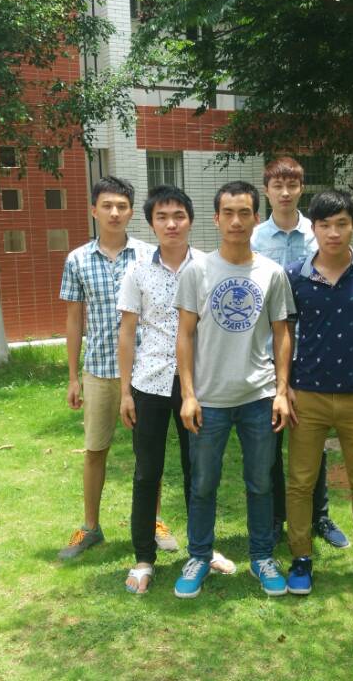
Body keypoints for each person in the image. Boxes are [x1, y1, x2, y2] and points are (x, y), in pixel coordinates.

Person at [171, 180, 294, 598]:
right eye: (228, 213)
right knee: (203, 484)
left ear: (257, 218)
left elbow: (282, 334)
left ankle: (262, 556)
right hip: (209, 399)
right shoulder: (197, 271)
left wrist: (281, 391)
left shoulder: (272, 273)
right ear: (216, 218)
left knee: (261, 483)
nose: (236, 221)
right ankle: (199, 556)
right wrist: (188, 394)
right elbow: (185, 335)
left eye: (244, 213)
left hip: (258, 397)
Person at [116, 185, 235, 593]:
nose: (171, 224)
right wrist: (125, 392)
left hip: (196, 385)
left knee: (198, 471)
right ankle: (143, 558)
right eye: (162, 217)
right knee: (146, 472)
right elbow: (127, 333)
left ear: (191, 221)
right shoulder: (137, 271)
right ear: (151, 223)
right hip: (149, 383)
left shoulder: (209, 267)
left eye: (179, 216)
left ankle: (202, 550)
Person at [283, 190, 353, 597]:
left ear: (352, 225)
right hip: (307, 397)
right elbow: (285, 333)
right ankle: (301, 558)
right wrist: (284, 386)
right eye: (324, 225)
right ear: (313, 228)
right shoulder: (295, 275)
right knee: (300, 483)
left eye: (341, 224)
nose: (333, 232)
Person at [57, 176, 157, 559]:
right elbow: (73, 320)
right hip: (98, 370)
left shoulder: (149, 255)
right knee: (95, 449)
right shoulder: (78, 260)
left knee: (147, 453)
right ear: (94, 211)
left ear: (131, 212)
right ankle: (90, 527)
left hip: (145, 371)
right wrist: (72, 377)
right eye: (107, 206)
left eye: (122, 206)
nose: (114, 213)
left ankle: (154, 522)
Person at [251, 157, 348, 549]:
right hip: (266, 350)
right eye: (278, 186)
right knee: (271, 441)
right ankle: (277, 517)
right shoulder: (255, 238)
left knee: (313, 439)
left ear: (302, 188)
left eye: (292, 185)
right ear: (267, 190)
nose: (285, 192)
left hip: (312, 349)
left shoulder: (318, 232)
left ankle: (319, 516)